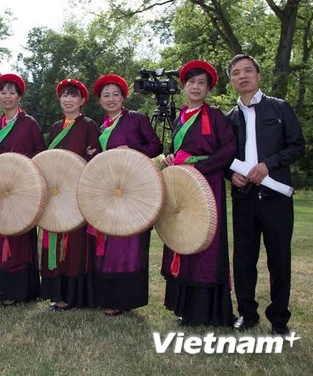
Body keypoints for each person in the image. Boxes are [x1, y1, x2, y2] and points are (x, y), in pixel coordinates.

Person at [226, 54, 305, 335]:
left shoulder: (280, 109)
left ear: (259, 76)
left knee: (279, 259)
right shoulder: (230, 119)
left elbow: (297, 146)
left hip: (276, 199)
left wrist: (268, 165)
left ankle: (279, 319)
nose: (243, 76)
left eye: (248, 71)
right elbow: (224, 157)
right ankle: (247, 314)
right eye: (236, 73)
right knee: (244, 260)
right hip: (244, 199)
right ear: (232, 80)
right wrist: (229, 174)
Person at [160, 60, 237, 326]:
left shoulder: (216, 117)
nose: (195, 87)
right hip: (183, 185)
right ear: (184, 86)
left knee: (206, 242)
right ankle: (184, 308)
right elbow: (180, 149)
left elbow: (229, 148)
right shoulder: (180, 117)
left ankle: (206, 312)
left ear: (208, 89)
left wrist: (203, 167)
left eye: (201, 83)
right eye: (191, 82)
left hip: (207, 185)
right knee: (181, 236)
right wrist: (172, 159)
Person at [91, 74, 162, 316]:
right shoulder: (101, 126)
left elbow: (156, 146)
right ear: (100, 100)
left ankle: (123, 299)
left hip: (134, 191)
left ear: (123, 97)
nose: (110, 99)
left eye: (115, 94)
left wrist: (133, 150)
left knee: (127, 245)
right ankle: (105, 296)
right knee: (108, 241)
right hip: (109, 191)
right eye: (105, 95)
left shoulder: (136, 119)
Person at [0, 73, 45, 305]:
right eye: (3, 92)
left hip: (23, 188)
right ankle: (1, 289)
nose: (7, 96)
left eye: (12, 92)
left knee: (20, 236)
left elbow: (40, 151)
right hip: (1, 189)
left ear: (19, 97)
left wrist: (23, 169)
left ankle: (21, 290)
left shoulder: (29, 123)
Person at [40, 78, 100, 311]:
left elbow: (94, 158)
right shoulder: (55, 127)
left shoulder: (89, 125)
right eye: (65, 95)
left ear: (82, 100)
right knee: (53, 238)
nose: (68, 100)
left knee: (75, 244)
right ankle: (56, 293)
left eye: (73, 96)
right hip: (56, 192)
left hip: (77, 192)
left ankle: (75, 295)